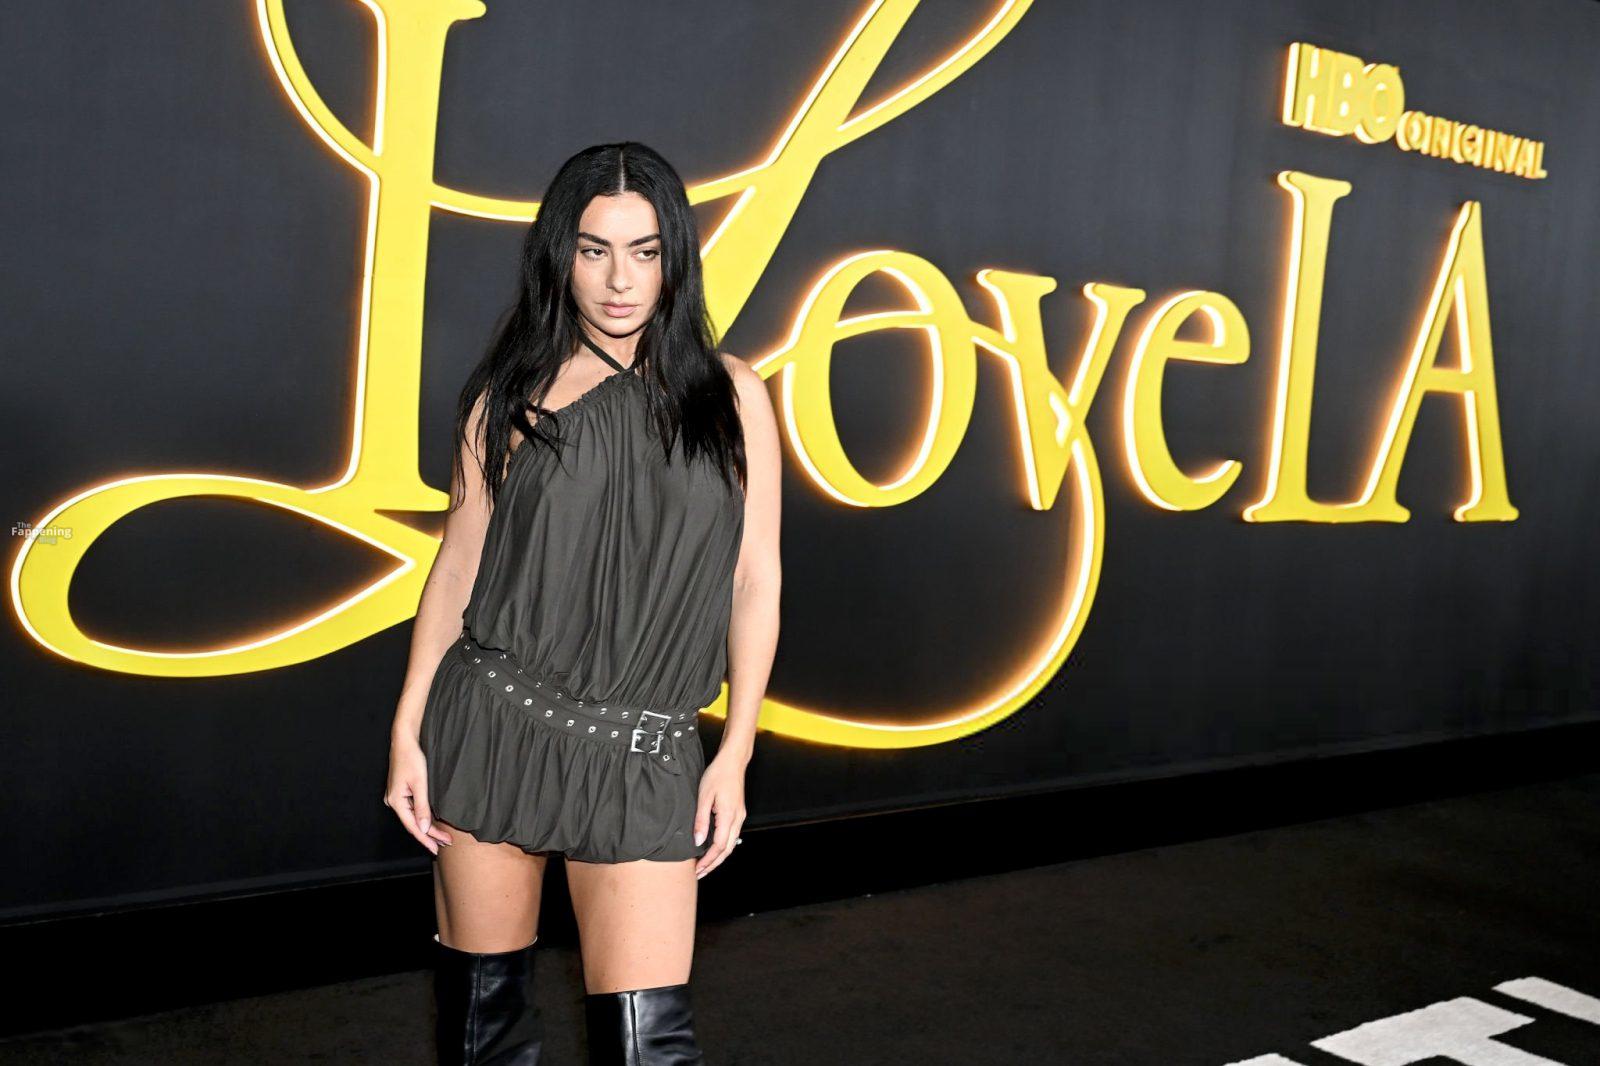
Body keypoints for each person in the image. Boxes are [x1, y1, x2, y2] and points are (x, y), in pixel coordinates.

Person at [384, 141, 782, 1065]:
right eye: (594, 250)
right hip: (495, 726)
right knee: (486, 1036)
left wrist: (737, 749)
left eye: (645, 251)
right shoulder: (509, 397)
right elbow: (458, 569)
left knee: (649, 1048)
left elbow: (755, 578)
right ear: (559, 255)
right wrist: (409, 726)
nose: (619, 280)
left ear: (675, 258)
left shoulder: (731, 397)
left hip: (642, 751)